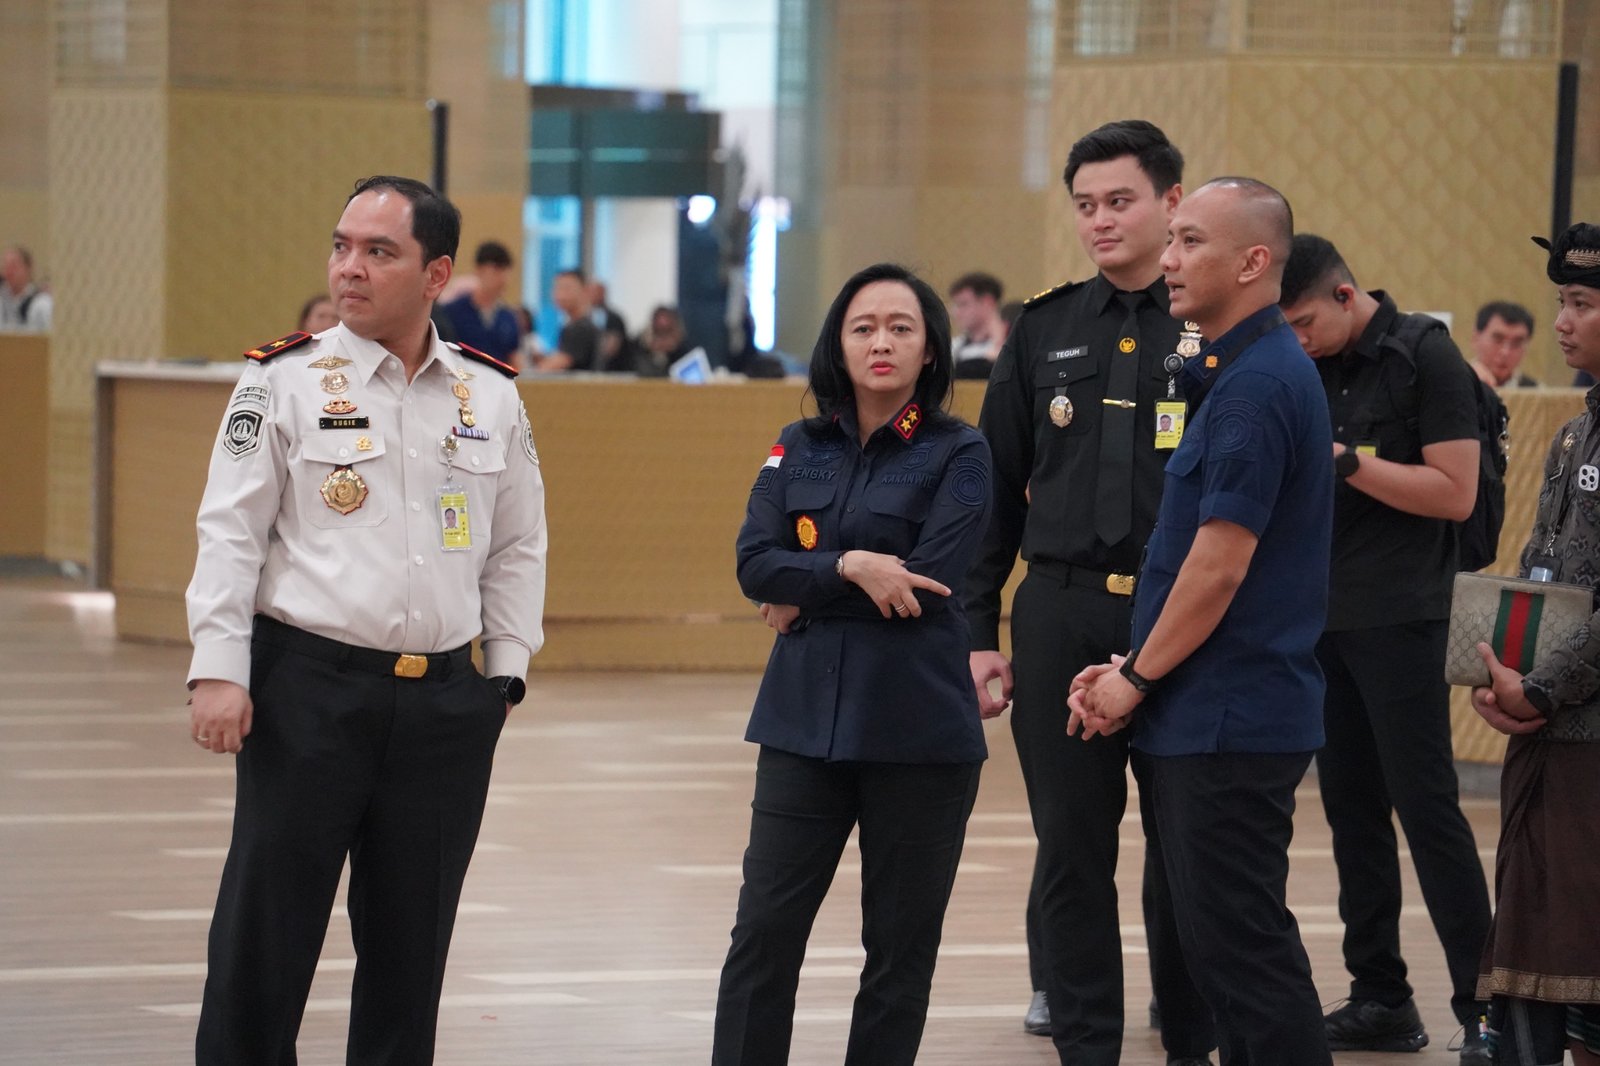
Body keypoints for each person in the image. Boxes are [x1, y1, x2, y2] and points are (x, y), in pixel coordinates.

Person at [184, 175, 548, 1065]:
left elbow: (518, 543)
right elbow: (230, 530)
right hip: (307, 692)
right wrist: (219, 667)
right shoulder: (284, 380)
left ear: (437, 274)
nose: (350, 267)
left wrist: (504, 672)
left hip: (443, 708)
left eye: (378, 251)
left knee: (410, 955)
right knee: (264, 944)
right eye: (342, 245)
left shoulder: (488, 395)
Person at [964, 118, 1214, 1065]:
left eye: (1121, 201)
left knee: (1185, 852)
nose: (1101, 221)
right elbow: (993, 489)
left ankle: (1190, 1040)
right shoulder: (1044, 327)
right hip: (1063, 608)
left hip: (1180, 614)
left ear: (1171, 202)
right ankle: (1086, 1046)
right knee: (1073, 849)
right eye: (1086, 206)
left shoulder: (1213, 327)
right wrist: (978, 628)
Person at [1069, 176, 1333, 1065]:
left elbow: (1218, 568)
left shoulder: (1257, 388)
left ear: (1254, 262)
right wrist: (1133, 666)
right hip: (1208, 710)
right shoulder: (1241, 373)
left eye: (1189, 242)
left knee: (1243, 958)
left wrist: (1134, 678)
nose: (1169, 260)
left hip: (1228, 716)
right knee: (1216, 953)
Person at [712, 263, 992, 1066]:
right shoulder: (797, 445)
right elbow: (753, 564)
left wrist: (806, 586)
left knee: (898, 956)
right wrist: (850, 569)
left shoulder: (962, 451)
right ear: (839, 342)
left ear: (931, 349)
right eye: (863, 326)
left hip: (918, 735)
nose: (882, 341)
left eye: (901, 327)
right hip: (802, 728)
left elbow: (932, 586)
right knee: (763, 935)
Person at [1279, 234, 1493, 1062]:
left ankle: (1485, 1005)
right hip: (1321, 618)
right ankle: (1381, 996)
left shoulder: (1424, 360)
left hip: (1403, 620)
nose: (1296, 340)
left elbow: (1454, 491)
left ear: (1345, 296)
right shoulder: (1302, 362)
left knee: (1429, 810)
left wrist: (1349, 463)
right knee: (1349, 813)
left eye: (1305, 322)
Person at [1470, 222, 1600, 1066]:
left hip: (1590, 741)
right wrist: (1496, 670)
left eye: (1582, 303)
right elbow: (1542, 573)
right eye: (1562, 300)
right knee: (1537, 943)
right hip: (1548, 740)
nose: (1562, 320)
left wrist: (1543, 690)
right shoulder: (1570, 436)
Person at [440, 240, 522, 362]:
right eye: (496, 270)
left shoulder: (508, 317)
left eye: (505, 271)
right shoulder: (452, 312)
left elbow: (515, 359)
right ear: (479, 270)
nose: (502, 278)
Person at [533, 268, 599, 372]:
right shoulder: (570, 325)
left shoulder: (581, 328)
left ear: (584, 290)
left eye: (566, 288)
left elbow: (552, 367)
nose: (560, 295)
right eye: (557, 288)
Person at [948, 271, 1007, 379]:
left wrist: (998, 343)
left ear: (987, 302)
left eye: (963, 304)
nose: (955, 312)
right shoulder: (954, 346)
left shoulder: (1012, 344)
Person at [1470, 301, 1538, 388]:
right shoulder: (1452, 383)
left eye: (1516, 343)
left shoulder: (1537, 395)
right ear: (1475, 338)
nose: (1505, 352)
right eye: (1498, 339)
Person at [0, 245, 52, 331]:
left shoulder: (42, 303)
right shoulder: (1, 300)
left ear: (28, 268)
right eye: (5, 266)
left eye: (14, 266)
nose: (9, 271)